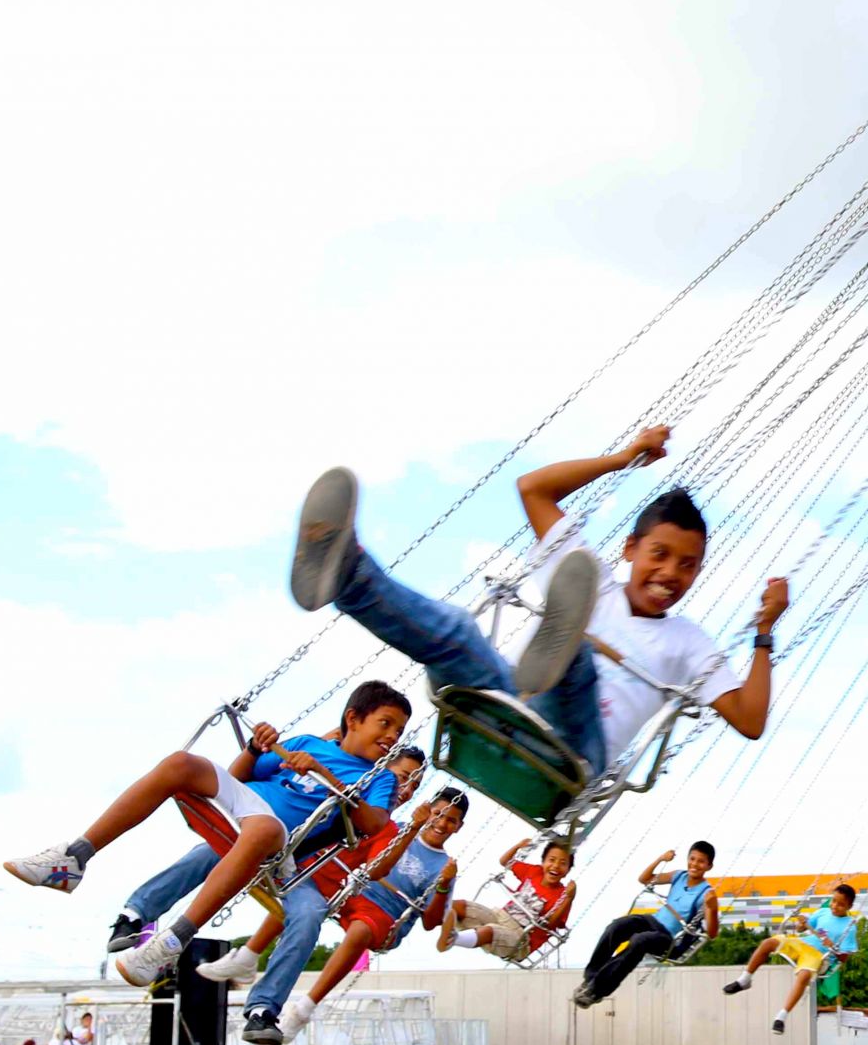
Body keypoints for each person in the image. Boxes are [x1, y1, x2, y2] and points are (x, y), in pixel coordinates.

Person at [290, 421, 787, 789]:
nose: (670, 574)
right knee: (461, 632)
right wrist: (623, 460)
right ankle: (347, 574)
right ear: (630, 549)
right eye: (660, 555)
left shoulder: (688, 642)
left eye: (688, 565)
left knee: (579, 668)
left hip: (573, 757)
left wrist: (764, 633)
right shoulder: (588, 577)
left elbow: (750, 719)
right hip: (500, 710)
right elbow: (533, 488)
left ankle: (563, 652)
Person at [7, 679, 411, 988]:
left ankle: (173, 940)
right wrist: (256, 747)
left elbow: (372, 824)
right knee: (181, 763)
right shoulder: (307, 742)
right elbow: (237, 777)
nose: (392, 736)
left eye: (399, 729)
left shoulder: (377, 778)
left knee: (263, 830)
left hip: (279, 838)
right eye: (385, 724)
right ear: (353, 719)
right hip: (240, 806)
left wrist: (322, 775)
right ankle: (74, 856)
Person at [192, 747, 428, 985]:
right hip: (293, 858)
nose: (406, 790)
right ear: (382, 772)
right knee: (213, 852)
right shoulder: (350, 786)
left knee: (308, 907)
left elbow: (378, 867)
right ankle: (227, 947)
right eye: (402, 778)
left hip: (315, 878)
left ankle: (261, 993)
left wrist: (413, 829)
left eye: (414, 786)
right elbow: (315, 758)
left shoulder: (387, 828)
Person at [248, 789, 465, 1044]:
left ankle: (305, 1008)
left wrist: (442, 886)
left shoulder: (443, 866)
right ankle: (250, 954)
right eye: (438, 814)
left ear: (459, 826)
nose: (441, 823)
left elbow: (430, 923)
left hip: (386, 914)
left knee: (360, 930)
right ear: (427, 810)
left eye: (450, 820)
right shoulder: (400, 829)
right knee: (309, 896)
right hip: (355, 890)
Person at [575, 845, 721, 1008]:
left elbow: (713, 933)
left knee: (640, 941)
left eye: (701, 862)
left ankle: (596, 991)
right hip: (653, 921)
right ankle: (590, 978)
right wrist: (660, 859)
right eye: (692, 859)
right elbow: (644, 879)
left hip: (670, 939)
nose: (695, 864)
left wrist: (713, 908)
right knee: (617, 926)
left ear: (709, 866)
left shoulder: (707, 893)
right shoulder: (679, 875)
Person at [724, 885, 860, 1035]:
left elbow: (844, 958)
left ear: (849, 906)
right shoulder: (823, 912)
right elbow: (802, 929)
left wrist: (832, 946)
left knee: (804, 975)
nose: (835, 906)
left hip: (819, 955)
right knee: (768, 943)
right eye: (833, 901)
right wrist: (801, 924)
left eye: (840, 904)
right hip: (803, 943)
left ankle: (781, 1017)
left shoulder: (849, 925)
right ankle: (745, 980)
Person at [439, 836, 576, 963]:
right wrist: (518, 846)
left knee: (489, 931)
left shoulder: (562, 895)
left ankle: (453, 940)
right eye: (552, 860)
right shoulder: (535, 872)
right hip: (501, 916)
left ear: (568, 870)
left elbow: (550, 924)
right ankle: (434, 915)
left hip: (521, 938)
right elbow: (505, 861)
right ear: (543, 862)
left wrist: (569, 898)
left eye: (563, 863)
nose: (556, 866)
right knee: (460, 906)